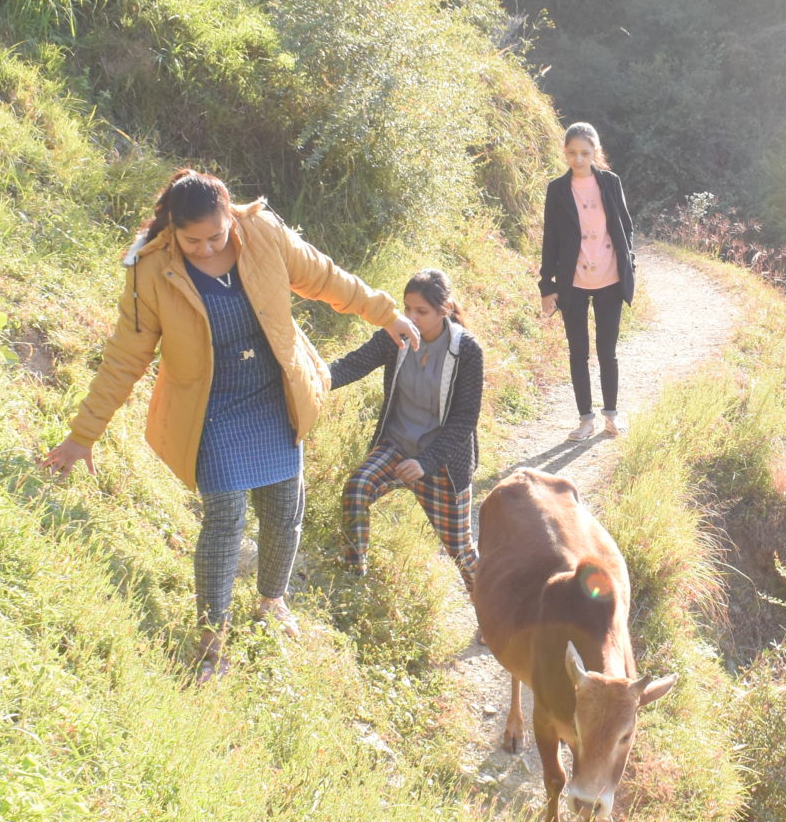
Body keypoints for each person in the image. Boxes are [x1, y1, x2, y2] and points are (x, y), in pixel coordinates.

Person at [41, 168, 418, 677]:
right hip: (210, 407)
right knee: (224, 521)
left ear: (230, 216)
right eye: (191, 239)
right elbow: (124, 358)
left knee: (285, 509)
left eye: (215, 236)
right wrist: (82, 436)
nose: (205, 247)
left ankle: (271, 602)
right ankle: (210, 638)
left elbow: (327, 278)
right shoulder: (150, 270)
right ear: (170, 227)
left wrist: (387, 314)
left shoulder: (263, 233)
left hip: (274, 394)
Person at [328, 268, 485, 587]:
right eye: (407, 308)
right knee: (357, 488)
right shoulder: (395, 334)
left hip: (442, 461)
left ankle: (493, 615)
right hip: (396, 446)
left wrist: (426, 462)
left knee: (462, 551)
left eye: (421, 311)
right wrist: (312, 379)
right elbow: (353, 364)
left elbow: (465, 420)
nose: (411, 317)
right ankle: (354, 579)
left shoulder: (466, 350)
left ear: (445, 309)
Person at [537, 121, 635, 440]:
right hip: (573, 284)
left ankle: (611, 416)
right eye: (572, 153)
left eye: (585, 153)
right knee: (578, 352)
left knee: (608, 351)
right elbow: (549, 238)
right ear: (564, 152)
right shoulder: (557, 189)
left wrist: (629, 264)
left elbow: (625, 226)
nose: (578, 159)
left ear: (595, 152)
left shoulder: (610, 182)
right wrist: (546, 286)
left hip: (609, 279)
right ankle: (585, 419)